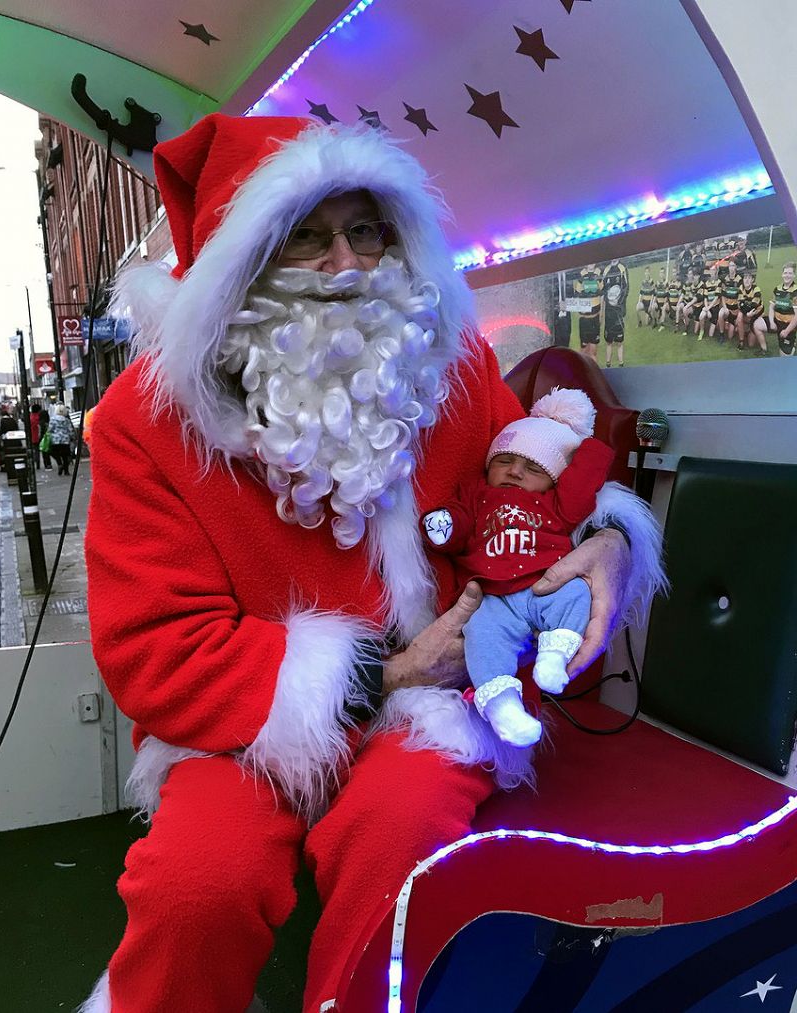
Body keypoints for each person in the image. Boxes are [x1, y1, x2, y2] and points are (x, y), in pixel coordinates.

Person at [79, 113, 665, 1013]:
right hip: (241, 724)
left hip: (430, 708)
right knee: (199, 884)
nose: (346, 265)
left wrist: (613, 538)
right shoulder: (144, 422)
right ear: (240, 269)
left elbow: (523, 498)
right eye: (305, 238)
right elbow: (158, 649)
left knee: (404, 843)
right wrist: (377, 673)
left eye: (364, 230)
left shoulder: (453, 368)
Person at [420, 389, 614, 747]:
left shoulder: (556, 503)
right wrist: (443, 526)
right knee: (481, 635)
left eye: (533, 467)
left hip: (544, 584)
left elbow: (586, 479)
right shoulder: (477, 493)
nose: (515, 471)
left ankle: (554, 657)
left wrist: (585, 443)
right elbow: (459, 523)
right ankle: (502, 707)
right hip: (491, 597)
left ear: (554, 478)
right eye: (504, 460)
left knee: (577, 593)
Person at [573, 263, 603, 362]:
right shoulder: (581, 274)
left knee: (593, 352)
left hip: (595, 318)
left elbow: (602, 294)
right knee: (583, 350)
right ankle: (580, 372)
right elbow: (577, 294)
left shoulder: (599, 273)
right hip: (584, 320)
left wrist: (601, 314)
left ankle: (594, 374)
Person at [769, 262, 797, 356]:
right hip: (777, 322)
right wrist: (771, 322)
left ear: (794, 275)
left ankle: (791, 347)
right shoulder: (777, 289)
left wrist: (787, 331)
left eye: (790, 273)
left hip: (788, 325)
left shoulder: (795, 292)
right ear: (782, 274)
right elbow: (771, 307)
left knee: (784, 355)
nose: (787, 275)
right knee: (757, 324)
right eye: (785, 273)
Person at [738, 270, 768, 355]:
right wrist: (747, 313)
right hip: (748, 313)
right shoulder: (741, 288)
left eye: (749, 278)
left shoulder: (756, 289)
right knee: (739, 316)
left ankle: (753, 331)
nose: (747, 280)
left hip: (757, 314)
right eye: (745, 278)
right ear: (743, 280)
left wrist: (746, 308)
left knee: (751, 344)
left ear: (752, 280)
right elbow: (740, 304)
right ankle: (741, 341)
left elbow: (754, 305)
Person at [48, 403, 75, 475]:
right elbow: (70, 430)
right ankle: (66, 470)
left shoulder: (53, 419)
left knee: (54, 453)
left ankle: (59, 463)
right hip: (65, 439)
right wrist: (72, 437)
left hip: (55, 439)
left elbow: (50, 429)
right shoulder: (66, 420)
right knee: (65, 456)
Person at [29, 403, 42, 468]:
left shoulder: (30, 416)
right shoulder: (38, 417)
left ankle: (35, 462)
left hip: (31, 436)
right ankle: (37, 463)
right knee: (37, 450)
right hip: (37, 436)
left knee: (34, 450)